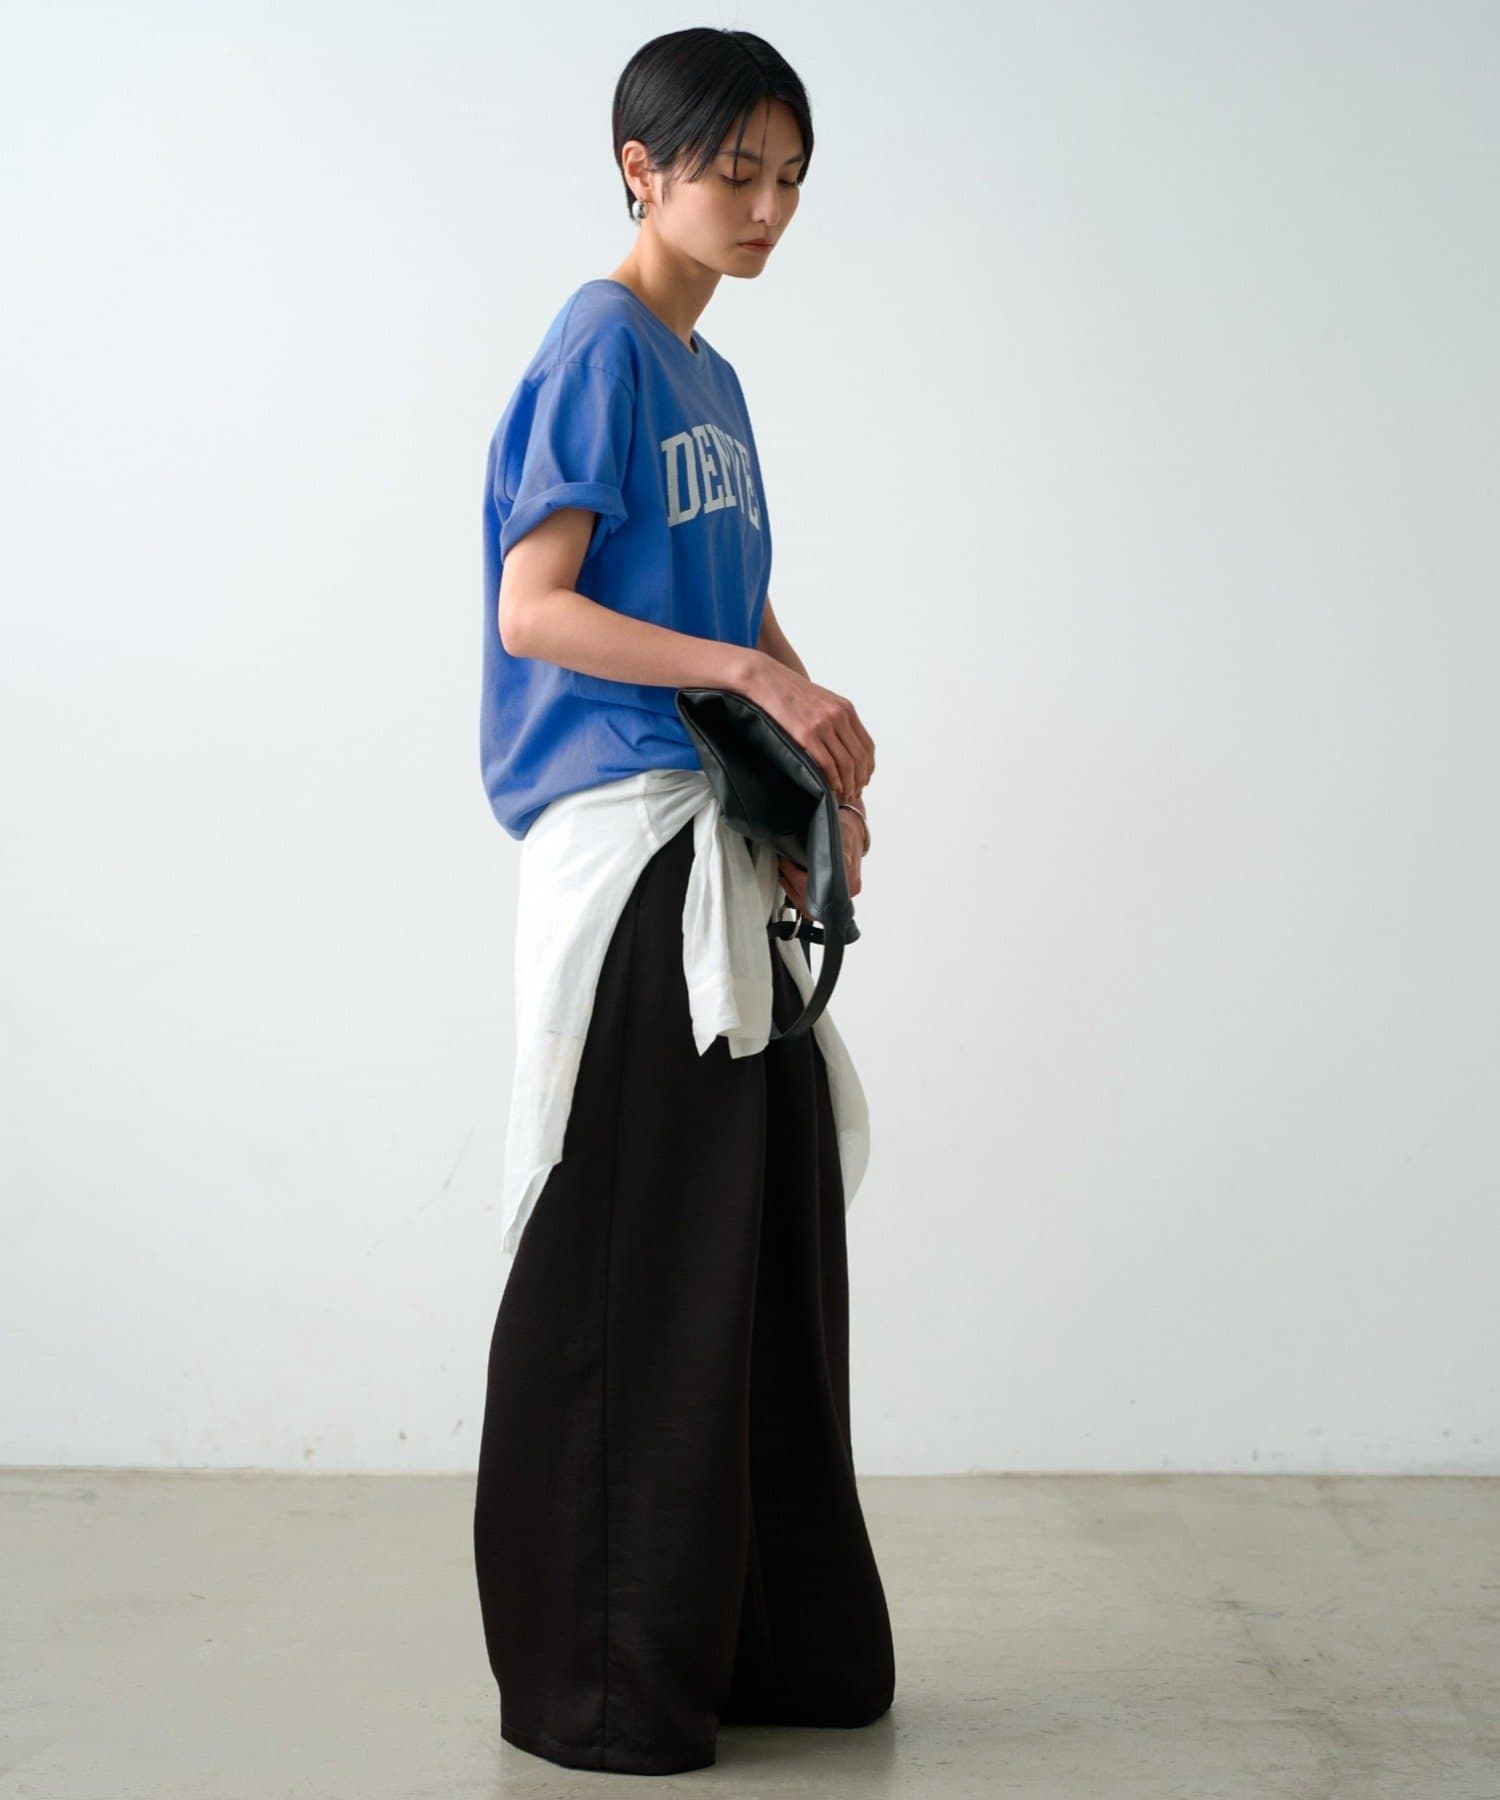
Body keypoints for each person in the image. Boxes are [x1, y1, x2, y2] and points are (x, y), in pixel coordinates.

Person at [472, 27, 895, 1777]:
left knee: (761, 1247)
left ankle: (769, 1648)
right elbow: (537, 608)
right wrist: (753, 680)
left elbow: (738, 603)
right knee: (638, 1256)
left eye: (789, 177)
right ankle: (601, 1678)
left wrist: (809, 758)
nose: (767, 206)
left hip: (718, 832)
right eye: (735, 172)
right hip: (629, 847)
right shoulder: (601, 344)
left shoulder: (708, 378)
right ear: (641, 171)